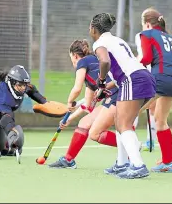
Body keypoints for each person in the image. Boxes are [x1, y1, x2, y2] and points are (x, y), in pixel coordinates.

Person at [90, 13, 156, 179]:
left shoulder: (99, 43)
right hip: (143, 78)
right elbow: (124, 68)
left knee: (124, 124)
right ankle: (121, 163)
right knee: (121, 122)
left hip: (132, 81)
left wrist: (101, 80)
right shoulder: (117, 40)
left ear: (93, 29)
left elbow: (105, 62)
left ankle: (138, 165)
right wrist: (104, 87)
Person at [48, 39, 119, 169]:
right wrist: (69, 119)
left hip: (118, 97)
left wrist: (69, 102)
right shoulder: (92, 68)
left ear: (75, 55)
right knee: (84, 123)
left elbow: (76, 88)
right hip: (112, 98)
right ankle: (68, 160)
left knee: (95, 132)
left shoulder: (83, 62)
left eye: (72, 59)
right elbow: (88, 106)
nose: (73, 62)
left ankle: (131, 146)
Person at [138, 7, 172, 172]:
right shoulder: (168, 37)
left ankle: (127, 160)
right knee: (160, 120)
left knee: (128, 115)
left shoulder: (147, 34)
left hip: (160, 78)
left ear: (147, 24)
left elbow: (146, 58)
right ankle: (169, 161)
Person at [135, 32, 157, 151]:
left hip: (154, 72)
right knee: (135, 106)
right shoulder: (140, 35)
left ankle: (151, 139)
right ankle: (132, 137)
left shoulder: (160, 36)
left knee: (152, 107)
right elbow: (142, 55)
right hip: (143, 72)